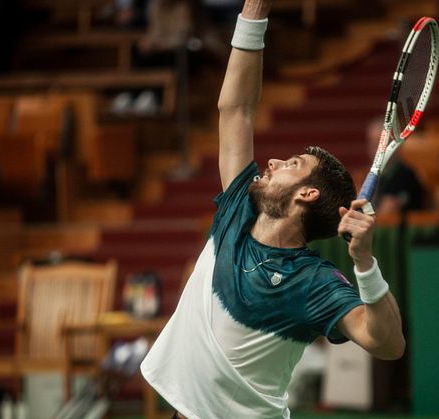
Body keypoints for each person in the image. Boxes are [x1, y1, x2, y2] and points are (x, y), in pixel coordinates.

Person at [140, 0, 405, 417]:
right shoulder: (237, 210)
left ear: (307, 195)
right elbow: (237, 109)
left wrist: (366, 264)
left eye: (292, 165)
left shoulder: (313, 281)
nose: (274, 161)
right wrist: (253, 14)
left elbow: (387, 343)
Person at [365, 117, 426, 214]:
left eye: (378, 144)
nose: (374, 150)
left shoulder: (404, 175)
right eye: (371, 144)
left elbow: (385, 215)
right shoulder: (377, 174)